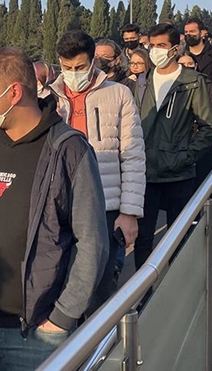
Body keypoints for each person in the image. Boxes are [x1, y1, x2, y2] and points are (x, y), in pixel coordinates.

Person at [0, 47, 108, 369]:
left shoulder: (68, 150)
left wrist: (62, 318)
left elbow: (92, 241)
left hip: (35, 337)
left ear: (14, 92)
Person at [51, 30, 146, 310]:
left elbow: (133, 156)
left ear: (93, 62)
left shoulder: (118, 94)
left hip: (105, 206)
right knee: (59, 287)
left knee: (100, 289)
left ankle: (99, 348)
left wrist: (129, 212)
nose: (73, 73)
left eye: (79, 67)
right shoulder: (49, 97)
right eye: (66, 68)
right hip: (60, 207)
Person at [133, 23, 212, 270]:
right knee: (142, 240)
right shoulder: (141, 82)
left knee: (177, 240)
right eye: (151, 46)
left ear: (175, 48)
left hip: (178, 173)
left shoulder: (192, 82)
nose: (155, 51)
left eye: (161, 46)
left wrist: (186, 156)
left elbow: (208, 127)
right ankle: (142, 297)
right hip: (145, 174)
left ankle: (177, 292)